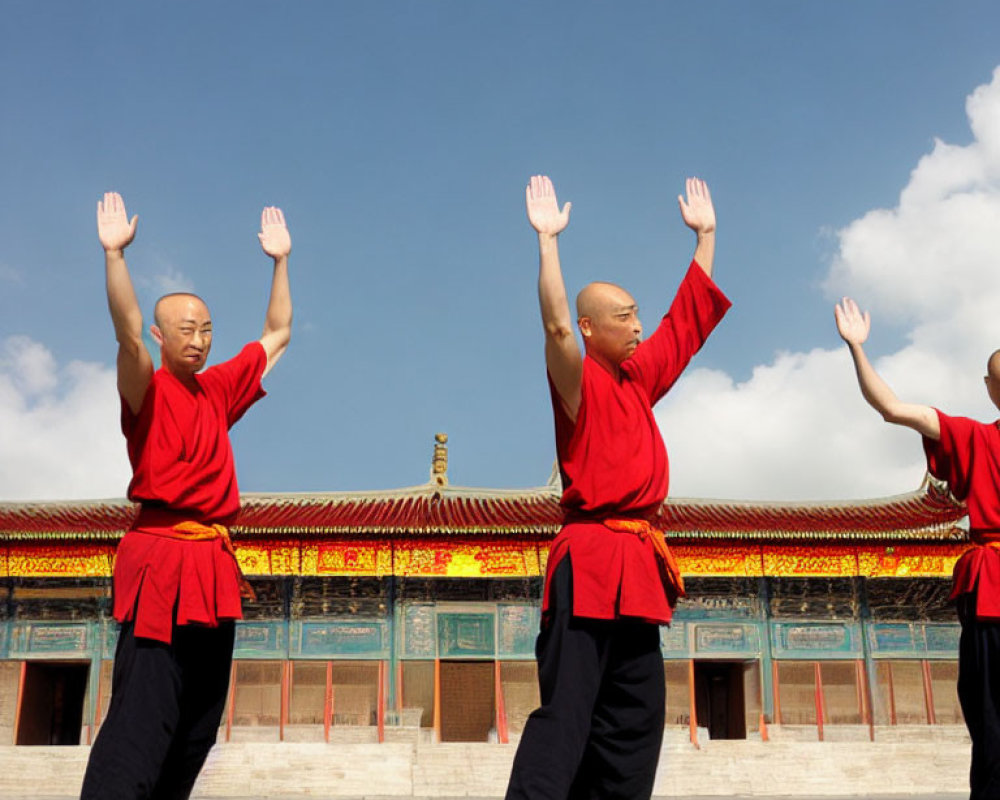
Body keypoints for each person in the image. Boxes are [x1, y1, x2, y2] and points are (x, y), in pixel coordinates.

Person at [505, 175, 731, 800]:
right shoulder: (579, 385)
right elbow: (554, 328)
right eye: (625, 316)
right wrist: (548, 245)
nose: (638, 325)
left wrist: (706, 237)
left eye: (637, 314)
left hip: (639, 568)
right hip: (591, 559)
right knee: (569, 713)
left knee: (636, 719)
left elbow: (686, 326)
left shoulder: (639, 379)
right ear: (591, 328)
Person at [80, 192, 292, 800]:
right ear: (160, 334)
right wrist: (115, 256)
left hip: (214, 567)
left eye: (205, 330)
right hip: (162, 559)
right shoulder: (147, 389)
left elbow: (277, 334)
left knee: (198, 725)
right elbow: (124, 333)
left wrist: (279, 263)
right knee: (144, 718)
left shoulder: (217, 391)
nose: (197, 341)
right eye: (184, 330)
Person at [835, 297, 1000, 799]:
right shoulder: (973, 437)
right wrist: (857, 349)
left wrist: (858, 348)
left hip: (991, 592)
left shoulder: (975, 437)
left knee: (993, 725)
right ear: (991, 389)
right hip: (991, 587)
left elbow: (893, 408)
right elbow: (892, 409)